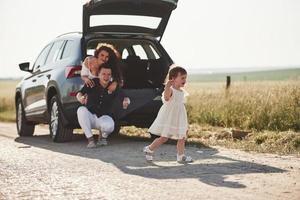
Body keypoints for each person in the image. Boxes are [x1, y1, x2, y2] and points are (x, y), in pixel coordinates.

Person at [143, 66, 193, 163]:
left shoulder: (182, 92)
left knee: (182, 136)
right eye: (182, 78)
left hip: (180, 116)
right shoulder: (170, 90)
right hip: (170, 117)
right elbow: (166, 98)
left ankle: (180, 156)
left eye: (185, 78)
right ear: (173, 79)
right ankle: (149, 149)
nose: (184, 80)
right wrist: (167, 87)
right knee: (164, 138)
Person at [77, 63, 130, 148]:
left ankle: (103, 138)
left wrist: (126, 102)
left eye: (109, 74)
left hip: (103, 117)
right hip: (90, 115)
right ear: (98, 75)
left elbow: (125, 97)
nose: (106, 77)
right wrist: (80, 98)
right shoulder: (92, 82)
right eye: (103, 74)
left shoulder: (113, 86)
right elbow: (79, 93)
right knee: (81, 110)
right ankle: (90, 140)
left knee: (110, 125)